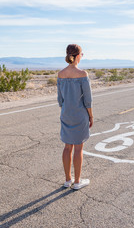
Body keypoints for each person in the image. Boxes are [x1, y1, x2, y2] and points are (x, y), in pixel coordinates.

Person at [57, 44, 93, 190]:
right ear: (78, 56)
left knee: (67, 147)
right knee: (78, 148)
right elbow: (88, 100)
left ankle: (67, 180)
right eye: (82, 54)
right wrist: (91, 116)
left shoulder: (60, 74)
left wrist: (67, 110)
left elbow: (60, 99)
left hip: (66, 113)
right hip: (80, 115)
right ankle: (77, 182)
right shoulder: (83, 74)